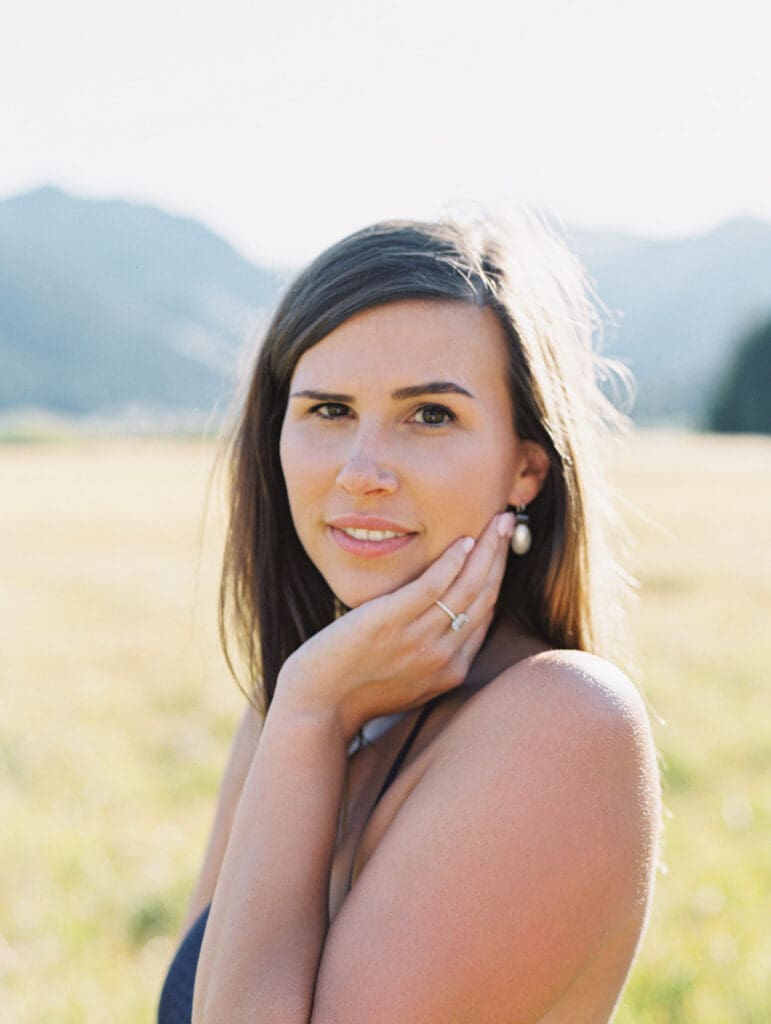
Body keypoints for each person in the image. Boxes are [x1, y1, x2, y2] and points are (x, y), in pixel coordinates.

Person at [158, 212, 661, 1023]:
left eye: (429, 415)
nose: (361, 473)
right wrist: (305, 712)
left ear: (525, 468)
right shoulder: (296, 700)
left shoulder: (562, 724)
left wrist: (314, 711)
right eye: (327, 410)